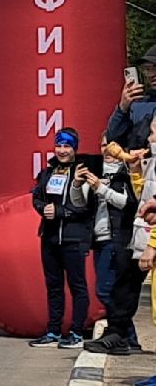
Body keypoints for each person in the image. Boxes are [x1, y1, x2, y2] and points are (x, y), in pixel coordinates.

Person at [87, 118, 156, 357]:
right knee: (120, 288)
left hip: (132, 236)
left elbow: (133, 204)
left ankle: (125, 337)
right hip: (127, 236)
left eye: (154, 131)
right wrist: (137, 171)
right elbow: (144, 195)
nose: (148, 137)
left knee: (117, 288)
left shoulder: (123, 173)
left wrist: (152, 244)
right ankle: (119, 335)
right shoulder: (147, 162)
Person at [28, 128, 94, 349]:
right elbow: (36, 197)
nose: (62, 150)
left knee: (77, 286)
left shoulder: (82, 170)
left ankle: (76, 331)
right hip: (49, 237)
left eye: (67, 146)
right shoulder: (48, 172)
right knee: (53, 286)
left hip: (74, 237)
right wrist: (43, 208)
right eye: (59, 146)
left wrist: (61, 212)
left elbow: (86, 206)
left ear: (74, 148)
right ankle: (53, 330)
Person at [86, 158, 134, 344]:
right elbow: (80, 202)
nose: (109, 153)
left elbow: (129, 204)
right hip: (98, 238)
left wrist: (102, 188)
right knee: (107, 289)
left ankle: (123, 334)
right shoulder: (94, 172)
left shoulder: (126, 175)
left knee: (106, 290)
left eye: (113, 149)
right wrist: (77, 184)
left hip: (117, 238)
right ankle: (126, 336)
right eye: (104, 147)